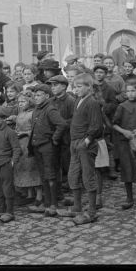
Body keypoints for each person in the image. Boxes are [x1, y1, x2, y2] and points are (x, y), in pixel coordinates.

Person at [62, 72, 104, 225]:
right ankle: (77, 207)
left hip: (85, 144)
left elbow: (97, 126)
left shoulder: (92, 102)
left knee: (88, 176)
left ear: (89, 87)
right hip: (75, 143)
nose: (76, 89)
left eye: (79, 86)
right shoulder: (78, 100)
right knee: (73, 175)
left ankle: (92, 212)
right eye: (75, 86)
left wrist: (87, 141)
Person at [29, 83, 67, 217]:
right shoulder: (36, 109)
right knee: (43, 175)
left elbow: (61, 124)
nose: (36, 97)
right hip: (38, 147)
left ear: (46, 96)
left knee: (51, 175)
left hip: (48, 147)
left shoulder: (50, 109)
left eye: (39, 95)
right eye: (35, 95)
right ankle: (46, 203)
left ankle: (53, 204)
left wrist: (54, 139)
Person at [112, 82, 136, 209]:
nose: (130, 93)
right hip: (124, 141)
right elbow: (114, 124)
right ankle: (129, 197)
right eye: (128, 91)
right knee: (127, 167)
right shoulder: (122, 106)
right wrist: (124, 132)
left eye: (133, 91)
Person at [48, 74, 75, 202]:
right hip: (54, 138)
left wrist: (61, 123)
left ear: (64, 86)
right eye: (52, 85)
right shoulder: (51, 101)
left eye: (55, 85)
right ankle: (58, 191)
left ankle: (72, 193)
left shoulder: (70, 101)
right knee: (55, 165)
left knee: (68, 164)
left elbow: (74, 119)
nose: (53, 88)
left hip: (67, 138)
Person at [14, 92, 43, 208]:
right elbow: (17, 126)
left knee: (33, 168)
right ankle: (29, 194)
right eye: (19, 102)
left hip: (30, 143)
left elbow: (37, 129)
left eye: (23, 101)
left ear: (29, 101)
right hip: (20, 144)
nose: (20, 104)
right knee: (24, 168)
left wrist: (25, 133)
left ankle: (39, 195)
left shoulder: (33, 113)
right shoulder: (20, 113)